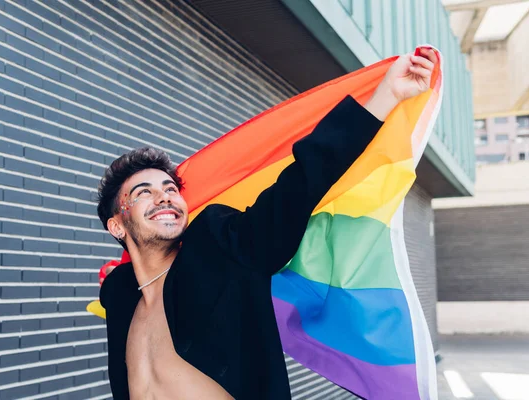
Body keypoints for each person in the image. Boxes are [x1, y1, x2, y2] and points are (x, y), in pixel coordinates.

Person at [97, 49, 437, 399]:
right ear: (117, 226)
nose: (165, 197)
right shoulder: (121, 296)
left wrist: (386, 96)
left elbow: (299, 185)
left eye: (170, 189)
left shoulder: (219, 249)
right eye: (144, 192)